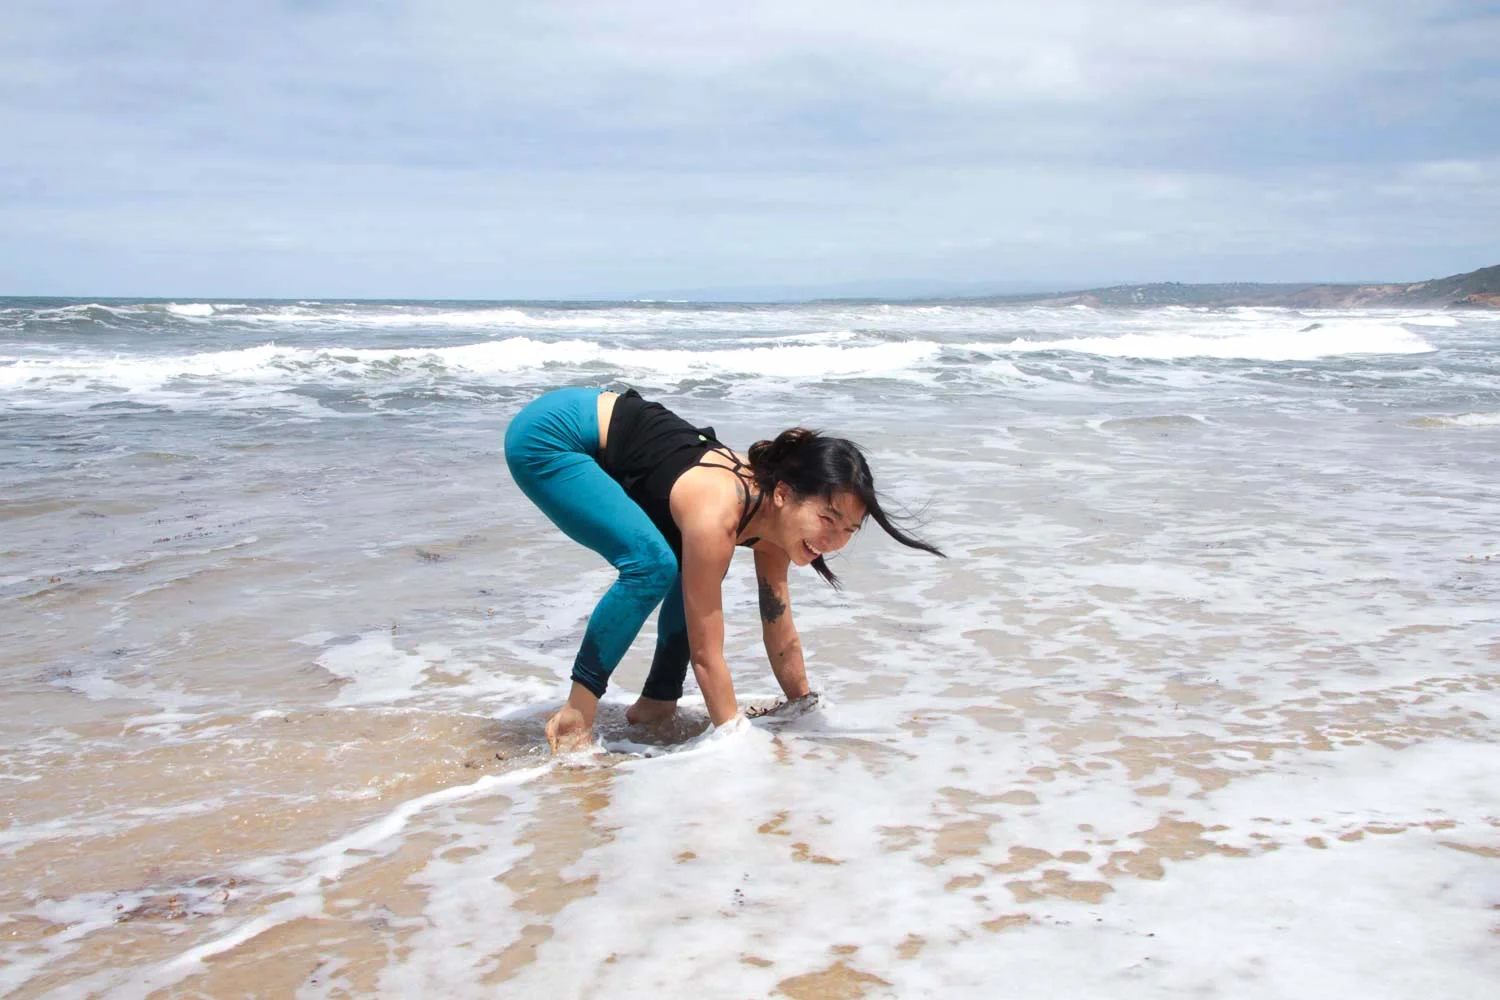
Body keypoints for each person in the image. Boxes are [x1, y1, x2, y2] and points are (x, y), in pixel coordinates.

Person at [503, 386, 944, 751]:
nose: (834, 541)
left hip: (616, 443)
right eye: (826, 519)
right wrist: (733, 742)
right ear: (783, 495)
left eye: (848, 529)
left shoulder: (777, 527)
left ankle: (656, 704)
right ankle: (574, 717)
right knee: (652, 566)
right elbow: (706, 651)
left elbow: (780, 628)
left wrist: (802, 709)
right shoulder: (718, 513)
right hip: (551, 434)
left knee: (687, 568)